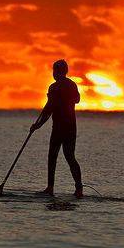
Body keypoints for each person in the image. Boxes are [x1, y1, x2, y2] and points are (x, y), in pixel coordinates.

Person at [30, 60, 84, 198]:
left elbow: (48, 110)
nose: (54, 73)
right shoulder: (72, 84)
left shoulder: (54, 87)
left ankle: (51, 188)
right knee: (69, 156)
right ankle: (79, 189)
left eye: (55, 71)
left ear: (59, 72)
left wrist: (38, 125)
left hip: (60, 127)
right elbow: (77, 99)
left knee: (53, 156)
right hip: (71, 127)